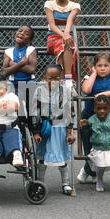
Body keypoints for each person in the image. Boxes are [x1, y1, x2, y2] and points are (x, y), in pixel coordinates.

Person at [76, 51, 110, 184]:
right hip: (90, 117)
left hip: (109, 118)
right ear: (94, 66)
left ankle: (89, 170)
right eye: (99, 65)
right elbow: (86, 90)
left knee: (105, 145)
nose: (103, 68)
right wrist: (93, 73)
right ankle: (90, 169)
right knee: (89, 145)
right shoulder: (90, 76)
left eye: (106, 65)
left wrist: (104, 94)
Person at [31, 64, 76, 195]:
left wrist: (69, 133)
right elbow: (34, 112)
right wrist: (36, 132)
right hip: (44, 128)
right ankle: (40, 183)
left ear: (61, 78)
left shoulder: (65, 92)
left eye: (56, 78)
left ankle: (65, 183)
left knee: (61, 157)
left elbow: (70, 113)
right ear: (45, 78)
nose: (53, 81)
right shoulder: (39, 91)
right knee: (42, 157)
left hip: (60, 128)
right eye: (50, 78)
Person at [79, 95, 110, 192]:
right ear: (94, 109)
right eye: (99, 108)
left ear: (109, 108)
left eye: (105, 108)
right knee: (100, 165)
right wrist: (84, 126)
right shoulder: (92, 120)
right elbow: (86, 134)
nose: (102, 111)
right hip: (98, 147)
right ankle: (99, 179)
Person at [44, 0, 80, 88]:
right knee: (65, 44)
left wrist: (66, 35)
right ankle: (68, 80)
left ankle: (64, 81)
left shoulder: (75, 5)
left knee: (68, 45)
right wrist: (64, 35)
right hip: (53, 37)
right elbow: (52, 25)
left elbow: (69, 20)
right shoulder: (49, 4)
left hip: (67, 37)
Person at [3, 25, 37, 120]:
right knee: (16, 108)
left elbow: (31, 69)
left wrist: (13, 64)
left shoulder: (31, 50)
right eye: (20, 31)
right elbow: (5, 72)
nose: (21, 33)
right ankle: (19, 127)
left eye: (26, 33)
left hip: (28, 82)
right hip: (14, 84)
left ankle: (34, 131)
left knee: (31, 109)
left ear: (29, 40)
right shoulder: (8, 52)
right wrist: (21, 63)